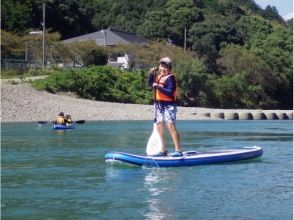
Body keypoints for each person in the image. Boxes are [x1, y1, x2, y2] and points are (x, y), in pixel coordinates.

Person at [147, 57, 183, 157]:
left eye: (165, 67)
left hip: (169, 105)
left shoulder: (170, 78)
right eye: (161, 66)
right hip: (159, 104)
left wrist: (158, 86)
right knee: (159, 127)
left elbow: (170, 92)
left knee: (170, 126)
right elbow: (150, 84)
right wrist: (151, 74)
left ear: (169, 68)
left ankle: (178, 150)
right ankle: (163, 150)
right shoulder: (158, 76)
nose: (163, 69)